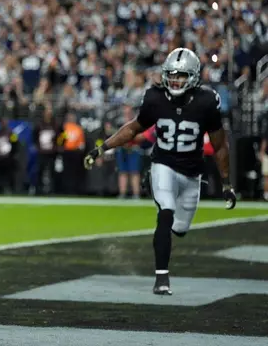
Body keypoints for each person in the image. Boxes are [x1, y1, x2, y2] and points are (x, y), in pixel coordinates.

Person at [84, 47, 237, 296]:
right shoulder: (155, 98)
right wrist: (102, 149)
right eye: (172, 74)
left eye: (182, 75)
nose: (175, 80)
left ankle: (154, 188)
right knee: (165, 212)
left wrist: (227, 183)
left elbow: (220, 146)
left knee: (181, 228)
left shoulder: (207, 101)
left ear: (194, 77)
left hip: (191, 174)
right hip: (163, 164)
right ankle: (162, 277)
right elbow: (133, 129)